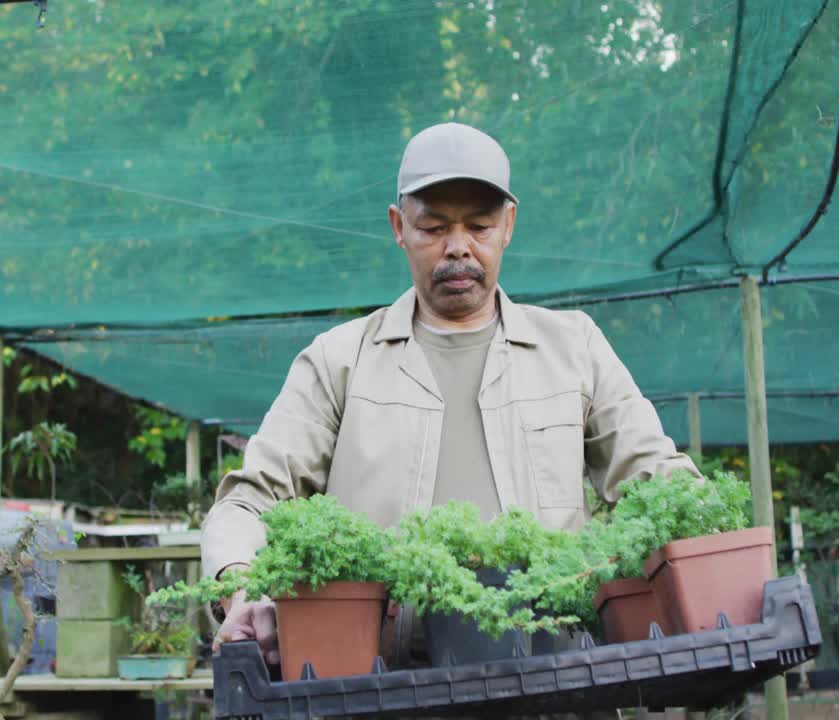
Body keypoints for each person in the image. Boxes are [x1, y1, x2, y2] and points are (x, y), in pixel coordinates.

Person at [201, 122, 700, 668]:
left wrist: (709, 534)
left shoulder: (573, 348)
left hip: (553, 678)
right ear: (398, 227)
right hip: (383, 686)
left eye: (479, 226)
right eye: (434, 227)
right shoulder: (340, 361)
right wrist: (242, 584)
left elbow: (656, 480)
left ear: (509, 225)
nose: (458, 247)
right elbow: (250, 499)